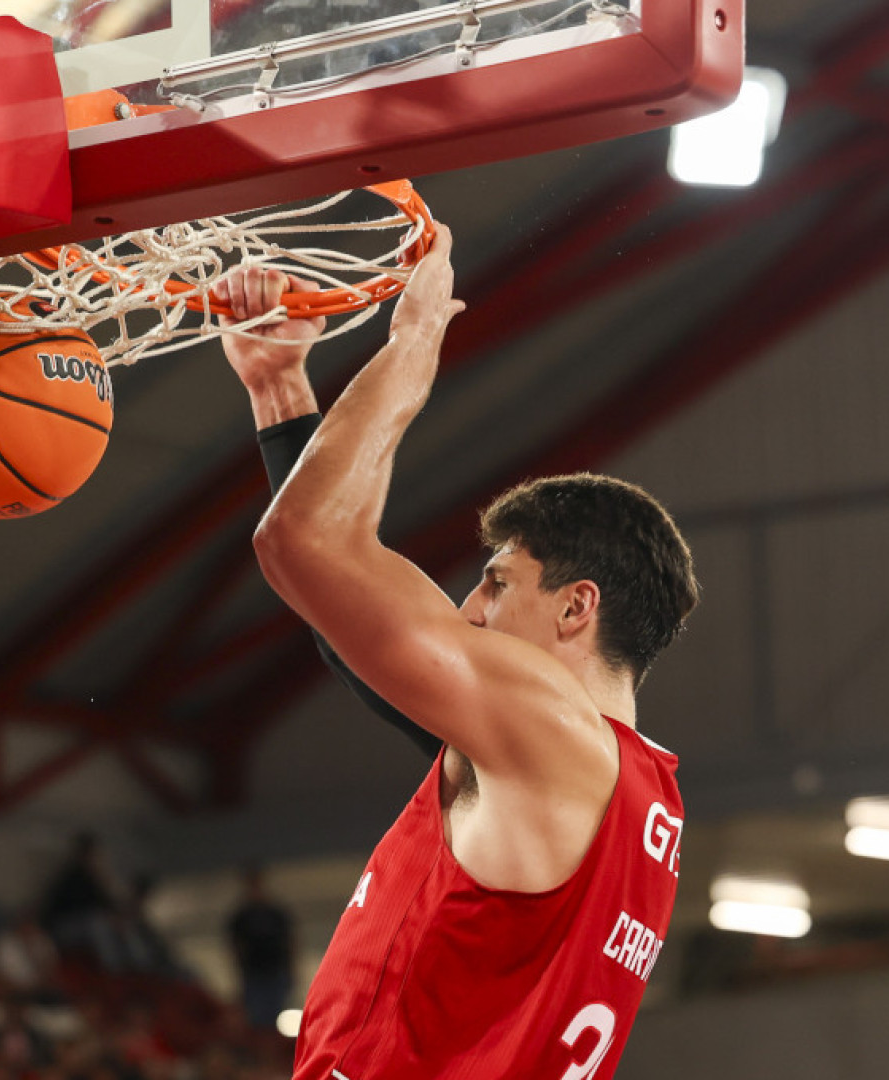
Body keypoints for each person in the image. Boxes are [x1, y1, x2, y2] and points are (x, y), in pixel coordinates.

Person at [212, 225, 698, 1080]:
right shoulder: (623, 788)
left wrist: (415, 342)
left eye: (499, 582)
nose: (470, 608)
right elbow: (354, 642)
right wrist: (281, 390)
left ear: (576, 607)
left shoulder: (552, 732)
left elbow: (300, 540)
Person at [224, 866, 294, 1033]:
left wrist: (290, 968)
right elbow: (235, 945)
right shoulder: (241, 916)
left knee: (276, 1012)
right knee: (256, 1016)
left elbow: (289, 941)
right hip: (253, 972)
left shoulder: (275, 913)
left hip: (275, 969)